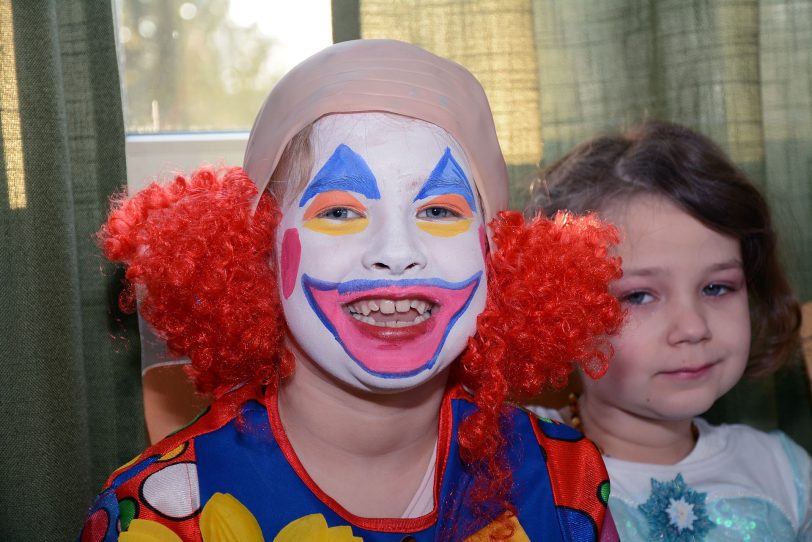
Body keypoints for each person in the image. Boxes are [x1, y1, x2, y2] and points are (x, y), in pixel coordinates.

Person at [79, 39, 625, 541]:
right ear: (257, 251)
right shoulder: (160, 513)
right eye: (339, 210)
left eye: (438, 210)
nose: (395, 249)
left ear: (495, 256)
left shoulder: (563, 482)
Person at [526, 120, 812, 541]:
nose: (694, 328)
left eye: (717, 288)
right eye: (639, 296)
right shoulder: (513, 462)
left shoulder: (785, 472)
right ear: (559, 313)